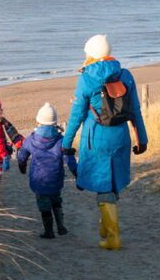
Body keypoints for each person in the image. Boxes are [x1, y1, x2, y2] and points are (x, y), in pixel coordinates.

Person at [62, 34, 148, 250]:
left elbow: (77, 115)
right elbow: (135, 110)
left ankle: (113, 237)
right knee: (113, 182)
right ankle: (105, 228)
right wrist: (142, 139)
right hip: (120, 136)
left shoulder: (86, 78)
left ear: (91, 54)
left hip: (96, 139)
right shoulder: (125, 75)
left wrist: (67, 142)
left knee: (103, 185)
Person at [18, 102, 78, 239]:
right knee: (56, 200)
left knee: (44, 204)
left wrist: (22, 166)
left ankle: (49, 231)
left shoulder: (31, 139)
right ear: (54, 122)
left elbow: (22, 155)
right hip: (55, 179)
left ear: (38, 121)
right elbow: (69, 158)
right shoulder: (60, 140)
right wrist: (75, 172)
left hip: (39, 180)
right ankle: (61, 226)